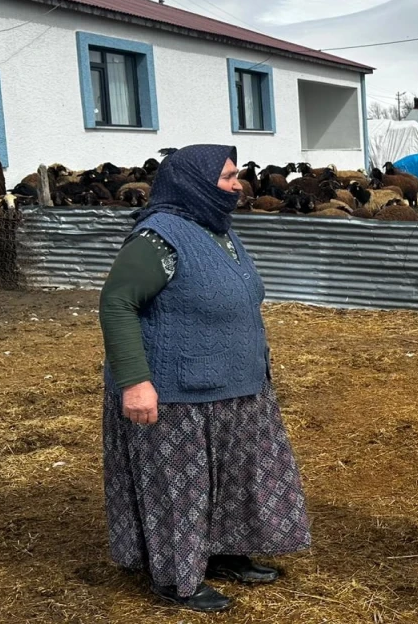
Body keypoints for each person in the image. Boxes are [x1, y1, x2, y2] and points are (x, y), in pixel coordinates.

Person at [99, 145, 310, 613]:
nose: (239, 185)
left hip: (236, 386)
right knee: (180, 486)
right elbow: (117, 304)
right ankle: (178, 578)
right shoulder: (158, 238)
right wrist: (135, 381)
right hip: (177, 391)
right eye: (229, 177)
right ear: (193, 182)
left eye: (237, 176)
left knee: (232, 478)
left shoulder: (220, 230)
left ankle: (223, 552)